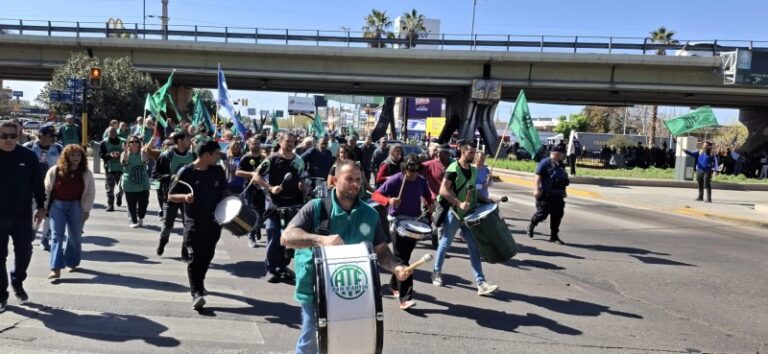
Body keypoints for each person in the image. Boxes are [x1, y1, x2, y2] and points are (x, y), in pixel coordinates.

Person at [281, 161, 412, 354]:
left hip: (354, 290)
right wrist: (320, 240)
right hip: (316, 288)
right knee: (310, 340)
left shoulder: (370, 214)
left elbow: (381, 250)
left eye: (358, 179)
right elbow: (286, 237)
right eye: (349, 179)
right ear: (334, 181)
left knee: (346, 340)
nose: (355, 184)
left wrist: (395, 267)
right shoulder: (316, 207)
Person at [167, 140, 230, 310]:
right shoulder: (186, 172)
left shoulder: (218, 170)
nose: (218, 157)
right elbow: (171, 195)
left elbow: (224, 191)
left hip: (214, 222)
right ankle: (196, 293)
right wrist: (185, 197)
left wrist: (233, 201)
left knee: (207, 255)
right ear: (207, 155)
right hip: (194, 222)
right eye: (216, 154)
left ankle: (199, 283)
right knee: (195, 257)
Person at [432, 140, 499, 296]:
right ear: (463, 152)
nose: (473, 155)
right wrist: (459, 203)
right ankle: (436, 272)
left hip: (468, 215)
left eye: (474, 152)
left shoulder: (474, 170)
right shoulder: (453, 168)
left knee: (474, 247)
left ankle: (481, 283)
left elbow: (472, 192)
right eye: (471, 153)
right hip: (454, 212)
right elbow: (443, 191)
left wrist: (485, 200)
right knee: (445, 243)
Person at [371, 154, 433, 309]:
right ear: (405, 168)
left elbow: (427, 196)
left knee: (404, 257)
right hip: (397, 221)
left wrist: (431, 204)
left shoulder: (420, 180)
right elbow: (375, 195)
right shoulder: (395, 179)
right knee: (402, 260)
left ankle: (393, 285)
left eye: (416, 171)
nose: (413, 175)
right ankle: (405, 298)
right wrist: (389, 201)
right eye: (411, 171)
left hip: (414, 222)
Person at [0, 120, 46, 312]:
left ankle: (17, 280)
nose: (8, 139)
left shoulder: (28, 156)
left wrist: (41, 207)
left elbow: (38, 184)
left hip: (22, 215)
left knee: (25, 252)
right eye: (3, 136)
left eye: (12, 136)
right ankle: (1, 295)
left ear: (18, 136)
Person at [252, 133, 305, 283]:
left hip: (292, 203)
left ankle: (282, 267)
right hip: (274, 203)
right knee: (274, 235)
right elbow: (256, 176)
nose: (290, 143)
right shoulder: (272, 159)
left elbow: (302, 178)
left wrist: (305, 189)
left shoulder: (299, 160)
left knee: (289, 238)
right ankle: (271, 269)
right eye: (287, 141)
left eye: (293, 141)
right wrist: (270, 187)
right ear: (280, 142)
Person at [43, 144, 95, 279]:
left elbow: (90, 193)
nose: (75, 158)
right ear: (66, 156)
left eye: (78, 155)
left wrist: (86, 210)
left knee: (75, 236)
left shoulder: (86, 173)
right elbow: (46, 190)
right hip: (57, 206)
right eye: (72, 155)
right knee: (57, 236)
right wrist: (44, 207)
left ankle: (72, 262)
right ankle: (55, 268)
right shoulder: (55, 170)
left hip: (76, 206)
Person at [23, 123, 63, 251]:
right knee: (32, 211)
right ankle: (33, 229)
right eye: (43, 134)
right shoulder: (28, 147)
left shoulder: (59, 148)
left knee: (49, 213)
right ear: (39, 134)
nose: (46, 138)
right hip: (32, 186)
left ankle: (45, 238)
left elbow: (64, 166)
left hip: (52, 186)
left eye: (50, 135)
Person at [155, 132, 196, 256]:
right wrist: (170, 177)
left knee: (188, 225)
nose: (190, 141)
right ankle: (163, 241)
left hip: (188, 196)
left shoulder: (192, 156)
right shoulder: (166, 156)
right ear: (179, 141)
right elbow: (155, 174)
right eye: (187, 139)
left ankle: (185, 250)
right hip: (171, 195)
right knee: (168, 224)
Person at [527, 144, 569, 244]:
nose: (563, 155)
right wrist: (536, 189)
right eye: (562, 153)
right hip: (546, 195)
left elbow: (562, 180)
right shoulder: (545, 162)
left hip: (558, 196)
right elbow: (538, 176)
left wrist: (564, 192)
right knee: (542, 214)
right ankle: (532, 224)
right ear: (556, 153)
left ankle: (554, 236)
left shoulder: (560, 165)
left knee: (557, 215)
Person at [236, 137, 266, 248]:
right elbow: (237, 172)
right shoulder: (246, 158)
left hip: (261, 189)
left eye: (258, 143)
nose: (257, 145)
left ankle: (257, 227)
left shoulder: (264, 158)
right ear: (249, 145)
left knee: (261, 212)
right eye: (254, 143)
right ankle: (251, 236)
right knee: (251, 213)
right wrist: (251, 174)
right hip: (249, 189)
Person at [121, 135, 151, 228]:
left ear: (139, 143)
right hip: (129, 184)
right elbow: (124, 162)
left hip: (143, 184)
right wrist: (126, 152)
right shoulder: (125, 153)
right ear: (128, 144)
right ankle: (133, 220)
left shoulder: (143, 152)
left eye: (136, 141)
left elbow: (145, 162)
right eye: (131, 142)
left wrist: (143, 153)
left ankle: (141, 217)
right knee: (131, 204)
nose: (134, 143)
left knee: (144, 203)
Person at [99, 127, 126, 212]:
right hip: (110, 169)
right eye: (111, 132)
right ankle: (110, 205)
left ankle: (119, 195)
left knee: (123, 187)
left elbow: (128, 152)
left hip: (122, 168)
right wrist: (110, 155)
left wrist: (121, 155)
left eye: (114, 131)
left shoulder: (123, 141)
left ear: (117, 132)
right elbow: (101, 155)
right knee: (110, 188)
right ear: (108, 133)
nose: (113, 133)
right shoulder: (104, 143)